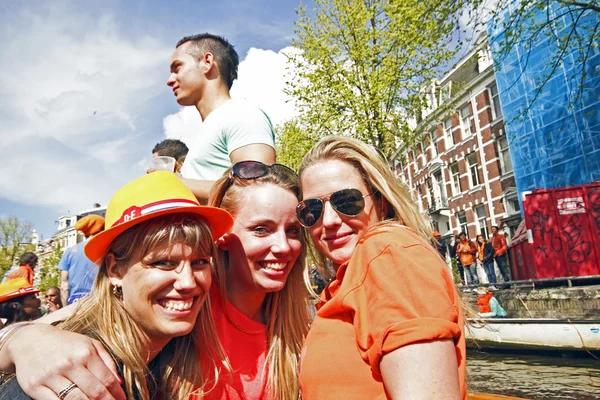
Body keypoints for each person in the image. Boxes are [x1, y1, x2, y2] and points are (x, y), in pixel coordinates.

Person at [0, 163, 311, 400]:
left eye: (294, 230)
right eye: (261, 229)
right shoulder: (94, 364)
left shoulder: (296, 324)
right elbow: (65, 322)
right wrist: (22, 342)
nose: (187, 281)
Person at [296, 137, 466, 399]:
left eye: (347, 201)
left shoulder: (389, 254)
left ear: (382, 202)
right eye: (312, 209)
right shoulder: (348, 278)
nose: (328, 220)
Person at [201, 160, 311, 399]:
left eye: (292, 230)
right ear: (222, 235)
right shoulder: (189, 313)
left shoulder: (301, 325)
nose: (283, 247)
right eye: (261, 229)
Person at [167, 33, 276, 202]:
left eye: (177, 68)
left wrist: (176, 183)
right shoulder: (209, 127)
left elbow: (259, 188)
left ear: (207, 62)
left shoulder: (241, 113)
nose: (170, 80)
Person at [58, 214, 105, 305]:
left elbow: (64, 285)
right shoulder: (105, 250)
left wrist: (65, 308)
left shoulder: (69, 252)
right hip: (98, 301)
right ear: (100, 229)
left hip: (76, 303)